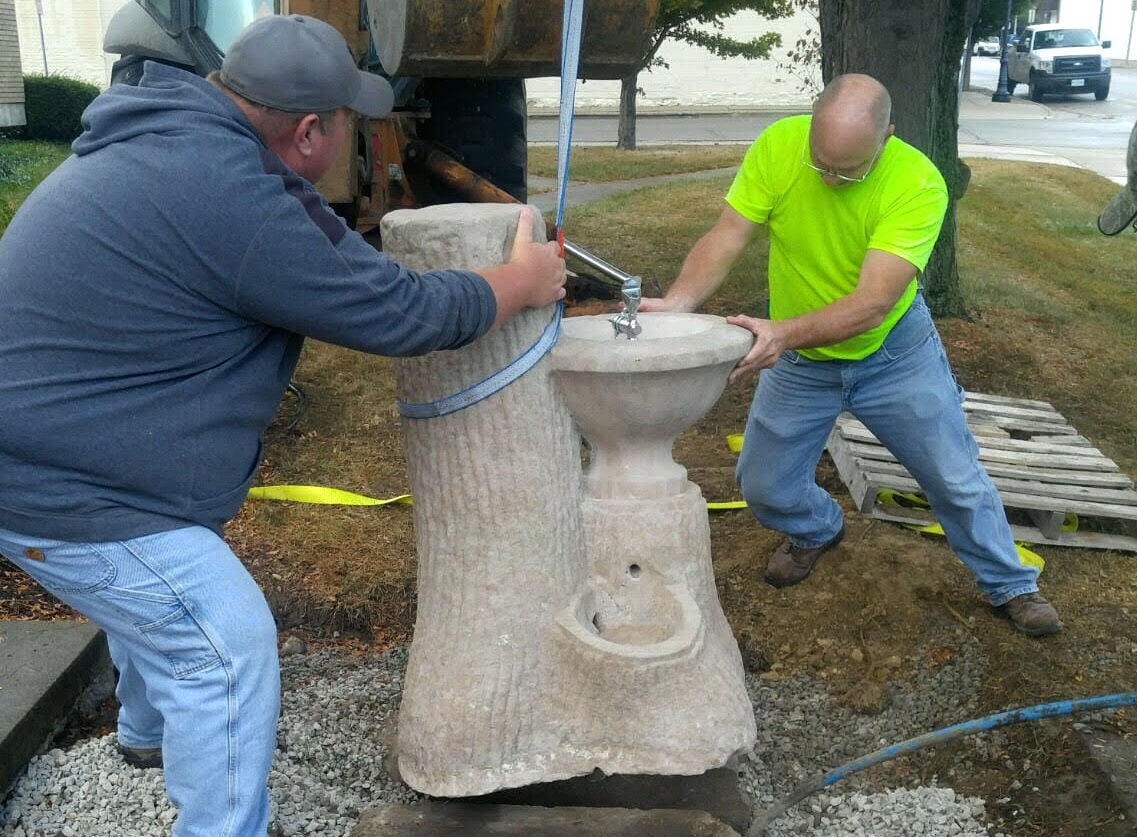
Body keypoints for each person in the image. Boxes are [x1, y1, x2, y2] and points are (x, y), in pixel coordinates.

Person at [0, 13, 565, 837]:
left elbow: (322, 242)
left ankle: (145, 736)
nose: (349, 134)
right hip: (65, 487)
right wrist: (520, 280)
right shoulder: (224, 192)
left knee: (156, 601)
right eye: (346, 120)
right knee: (221, 645)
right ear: (310, 128)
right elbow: (396, 312)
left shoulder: (182, 142)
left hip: (55, 448)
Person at [641, 73, 1061, 639]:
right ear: (811, 122)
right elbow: (729, 233)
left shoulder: (917, 183)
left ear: (887, 136)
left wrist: (780, 333)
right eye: (822, 163)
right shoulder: (778, 146)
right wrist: (679, 302)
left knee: (954, 480)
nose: (831, 178)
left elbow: (871, 304)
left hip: (893, 357)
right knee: (765, 486)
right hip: (801, 365)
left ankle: (1010, 584)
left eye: (848, 170)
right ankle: (817, 528)